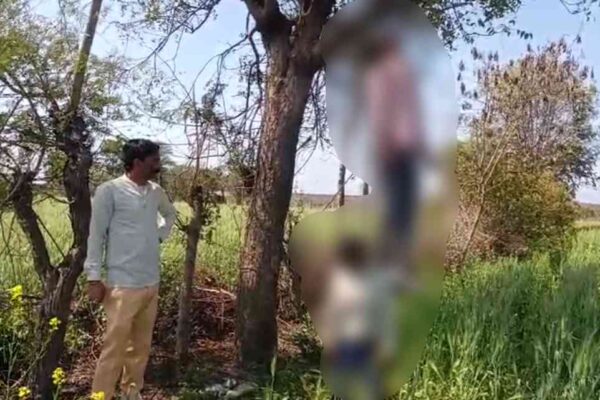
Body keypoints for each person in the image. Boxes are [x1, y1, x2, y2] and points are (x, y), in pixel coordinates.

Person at [84, 139, 177, 400]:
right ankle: (101, 396)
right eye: (154, 160)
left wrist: (159, 235)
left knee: (140, 347)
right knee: (114, 348)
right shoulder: (109, 191)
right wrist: (93, 278)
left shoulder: (156, 191)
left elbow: (170, 215)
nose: (158, 165)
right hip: (122, 285)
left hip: (151, 282)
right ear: (137, 162)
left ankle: (131, 393)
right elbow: (96, 236)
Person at [361, 31, 426, 270]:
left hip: (405, 148)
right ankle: (389, 261)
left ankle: (398, 261)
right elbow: (380, 111)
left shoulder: (399, 73)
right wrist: (383, 144)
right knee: (396, 205)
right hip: (393, 148)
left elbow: (411, 113)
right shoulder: (380, 74)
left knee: (404, 206)